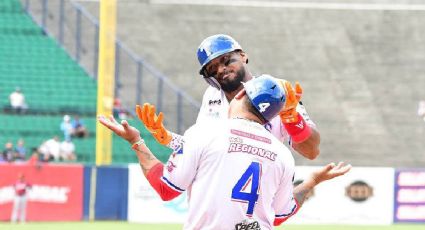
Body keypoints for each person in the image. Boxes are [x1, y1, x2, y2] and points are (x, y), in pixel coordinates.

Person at [98, 76, 351, 229]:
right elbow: (281, 215)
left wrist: (137, 142)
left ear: (240, 93)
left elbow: (166, 189)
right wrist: (313, 181)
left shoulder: (205, 132)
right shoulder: (282, 153)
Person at [137, 34, 320, 161]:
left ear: (243, 56)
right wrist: (165, 137)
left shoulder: (275, 89)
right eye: (212, 69)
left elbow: (311, 151)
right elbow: (198, 147)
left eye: (226, 60)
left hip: (260, 195)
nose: (221, 69)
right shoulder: (211, 96)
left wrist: (291, 117)